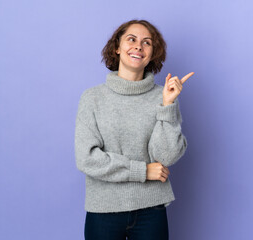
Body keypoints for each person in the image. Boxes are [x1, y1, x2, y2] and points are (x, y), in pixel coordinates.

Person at [74, 19, 194, 240]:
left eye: (147, 42)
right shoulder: (92, 98)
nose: (139, 46)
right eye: (132, 39)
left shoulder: (164, 96)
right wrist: (143, 171)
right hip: (103, 210)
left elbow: (165, 156)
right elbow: (87, 158)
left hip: (152, 210)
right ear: (117, 48)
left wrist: (167, 105)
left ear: (152, 54)